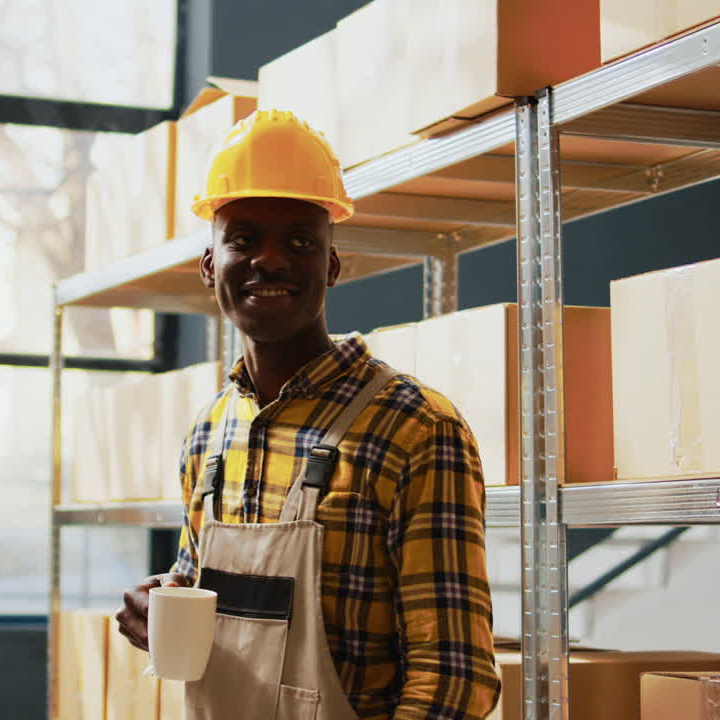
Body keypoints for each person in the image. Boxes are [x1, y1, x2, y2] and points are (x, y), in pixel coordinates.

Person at [115, 110, 500, 720]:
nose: (270, 260)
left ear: (332, 265)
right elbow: (212, 600)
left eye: (299, 241)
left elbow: (454, 679)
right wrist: (159, 604)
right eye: (242, 239)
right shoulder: (208, 435)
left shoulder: (415, 430)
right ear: (210, 265)